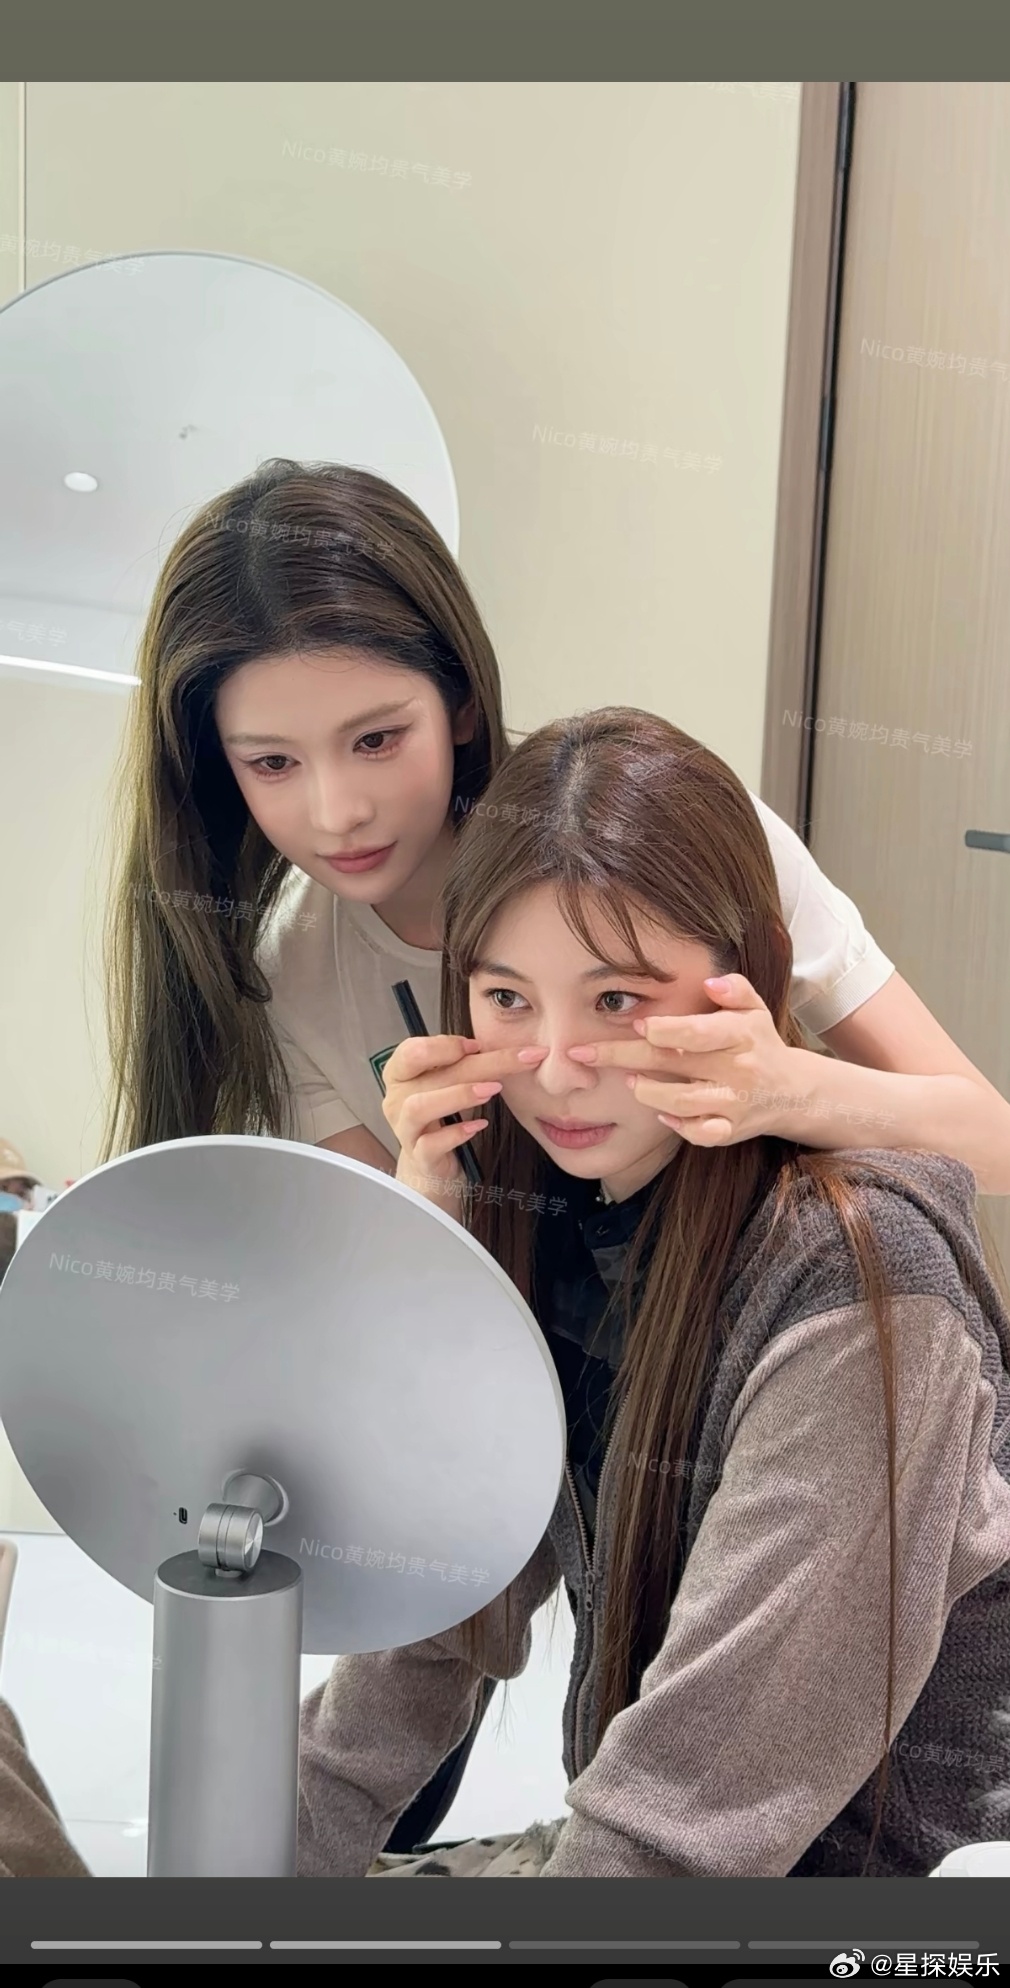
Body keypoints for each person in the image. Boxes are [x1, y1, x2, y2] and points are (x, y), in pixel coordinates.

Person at [295, 709, 1010, 1879]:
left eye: (617, 1000)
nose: (555, 1066)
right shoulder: (544, 1223)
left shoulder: (858, 1274)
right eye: (505, 998)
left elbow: (677, 1830)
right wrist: (437, 1264)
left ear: (745, 980)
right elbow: (413, 1659)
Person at [100, 458, 1010, 1197]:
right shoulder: (288, 973)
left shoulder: (671, 832)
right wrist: (430, 1190)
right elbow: (409, 1300)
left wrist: (790, 1092)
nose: (338, 814)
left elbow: (995, 1146)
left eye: (376, 740)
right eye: (272, 763)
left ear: (460, 699)